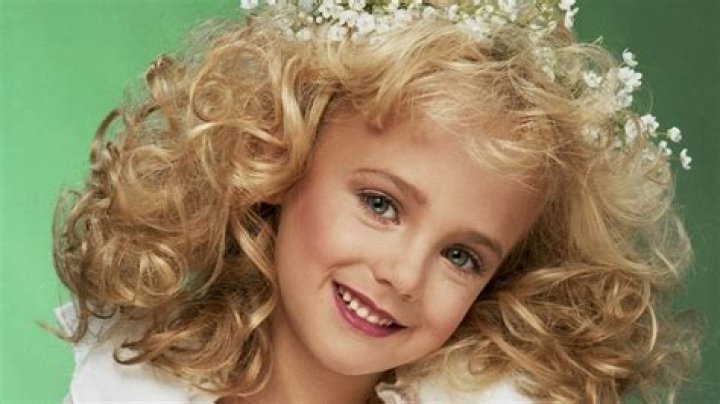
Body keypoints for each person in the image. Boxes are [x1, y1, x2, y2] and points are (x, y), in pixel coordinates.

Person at [52, 1, 701, 402]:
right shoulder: (127, 386)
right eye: (381, 204)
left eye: (462, 256)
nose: (404, 275)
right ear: (278, 158)